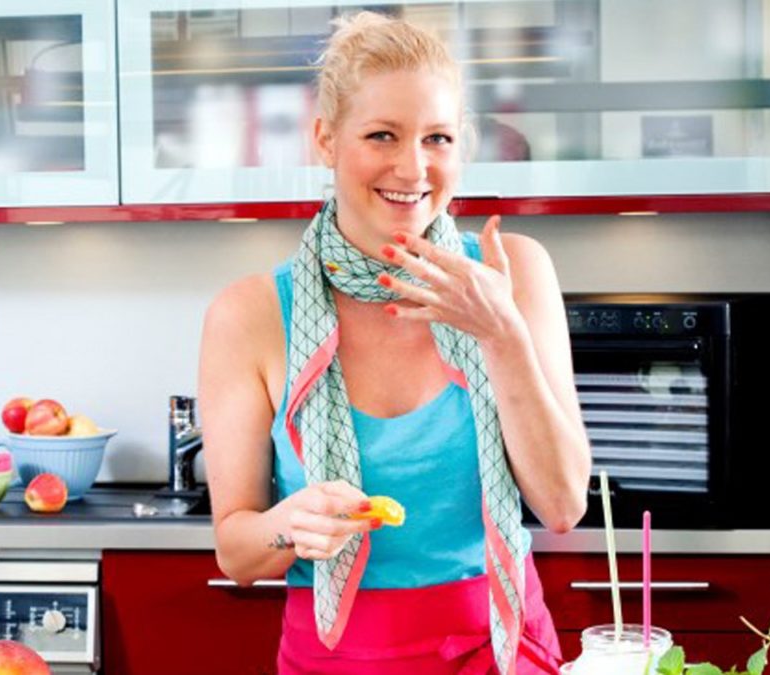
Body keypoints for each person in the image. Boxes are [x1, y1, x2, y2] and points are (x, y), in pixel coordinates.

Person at [198, 11, 591, 674]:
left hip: (497, 647)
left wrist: (500, 333)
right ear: (326, 139)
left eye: (437, 138)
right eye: (382, 135)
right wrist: (292, 525)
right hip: (335, 658)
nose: (413, 167)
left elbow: (562, 505)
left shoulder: (514, 273)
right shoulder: (250, 315)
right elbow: (236, 553)